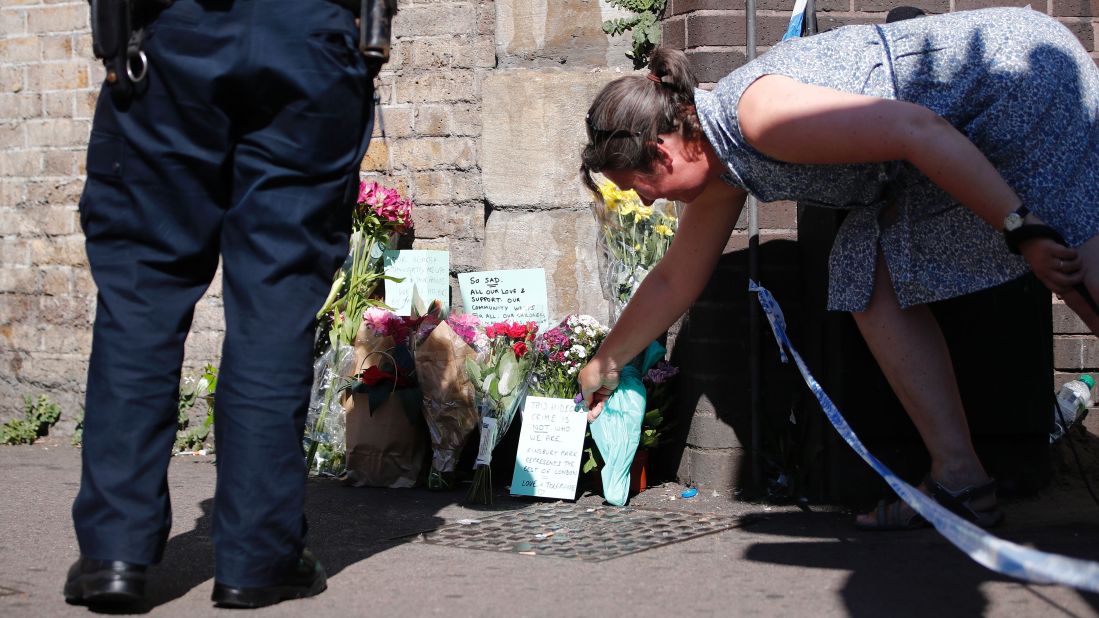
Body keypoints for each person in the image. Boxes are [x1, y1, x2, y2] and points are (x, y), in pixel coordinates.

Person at [577, 7, 1099, 530]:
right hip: (950, 132)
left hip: (1015, 79)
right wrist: (605, 362)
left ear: (660, 152)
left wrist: (1019, 225)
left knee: (1068, 253)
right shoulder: (722, 162)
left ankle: (960, 478)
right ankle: (961, 482)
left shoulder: (758, 116)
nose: (641, 204)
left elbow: (917, 128)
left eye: (633, 185)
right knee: (865, 268)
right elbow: (676, 278)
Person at [64, 0, 380, 610]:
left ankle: (115, 552)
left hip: (175, 36)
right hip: (309, 39)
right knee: (275, 303)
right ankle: (259, 557)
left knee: (142, 293)